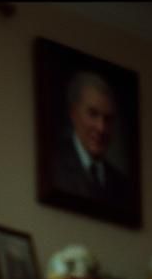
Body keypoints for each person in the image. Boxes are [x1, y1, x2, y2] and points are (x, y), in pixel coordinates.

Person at [49, 70, 130, 209]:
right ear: (73, 114)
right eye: (93, 114)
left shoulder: (121, 183)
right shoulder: (53, 165)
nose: (101, 128)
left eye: (108, 119)